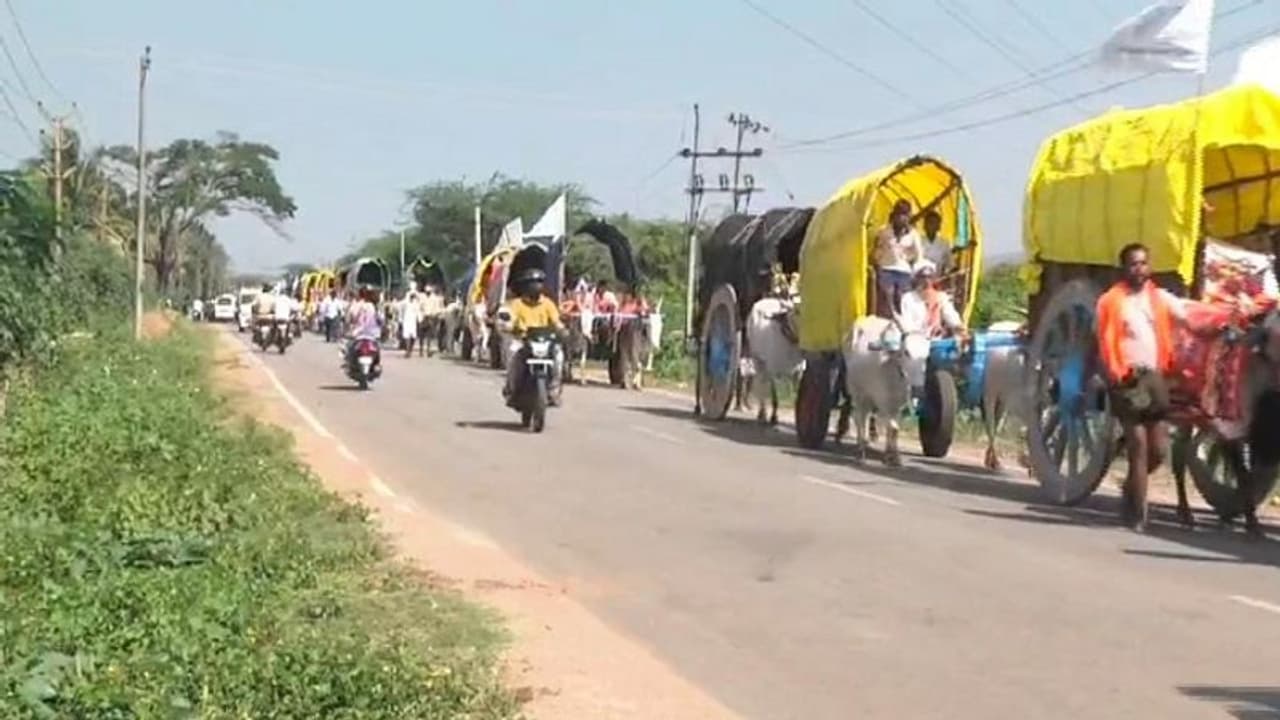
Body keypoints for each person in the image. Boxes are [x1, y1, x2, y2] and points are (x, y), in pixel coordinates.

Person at [1096, 242, 1188, 532]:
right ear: (1123, 269)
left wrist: (1224, 321)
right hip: (1125, 379)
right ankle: (1136, 514)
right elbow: (1099, 340)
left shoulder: (1159, 298)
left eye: (1144, 263)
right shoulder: (1110, 302)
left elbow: (1188, 317)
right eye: (1133, 264)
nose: (1139, 269)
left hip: (1154, 378)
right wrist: (1106, 374)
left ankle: (1131, 488)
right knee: (1138, 445)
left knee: (1158, 449)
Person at [502, 267, 566, 405]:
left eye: (539, 282)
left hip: (545, 342)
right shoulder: (517, 304)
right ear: (525, 286)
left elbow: (556, 322)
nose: (536, 286)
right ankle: (511, 388)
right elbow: (509, 319)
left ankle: (553, 391)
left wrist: (562, 330)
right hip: (522, 340)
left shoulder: (548, 304)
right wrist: (508, 326)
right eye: (532, 282)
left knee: (559, 356)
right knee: (512, 354)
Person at [874, 199, 923, 317]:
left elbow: (918, 254)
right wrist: (877, 264)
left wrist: (912, 265)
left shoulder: (913, 234)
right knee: (887, 296)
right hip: (886, 268)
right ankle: (886, 321)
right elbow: (877, 248)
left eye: (905, 215)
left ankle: (903, 324)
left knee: (902, 298)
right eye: (899, 214)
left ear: (908, 216)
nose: (902, 218)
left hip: (904, 271)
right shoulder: (884, 231)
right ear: (894, 215)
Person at [899, 266, 965, 338]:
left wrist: (958, 326)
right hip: (914, 340)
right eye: (923, 278)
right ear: (917, 280)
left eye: (929, 277)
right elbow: (906, 322)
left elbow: (950, 315)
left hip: (935, 340)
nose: (926, 281)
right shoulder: (908, 298)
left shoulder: (940, 297)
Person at [919, 210, 952, 276]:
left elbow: (949, 264)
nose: (931, 225)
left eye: (934, 223)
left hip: (937, 280)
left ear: (938, 227)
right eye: (929, 222)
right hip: (919, 281)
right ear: (924, 225)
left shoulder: (944, 244)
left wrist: (945, 273)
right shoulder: (917, 241)